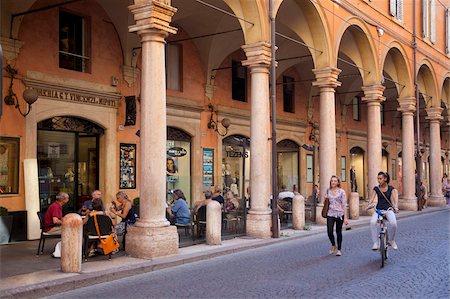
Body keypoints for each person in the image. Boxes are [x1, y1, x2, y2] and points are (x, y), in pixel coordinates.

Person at [366, 171, 399, 251]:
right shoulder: (376, 188)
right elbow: (372, 198)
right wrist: (369, 205)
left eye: (380, 179)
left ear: (385, 179)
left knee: (394, 224)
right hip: (378, 210)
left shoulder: (391, 189)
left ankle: (391, 240)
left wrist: (396, 206)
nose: (379, 180)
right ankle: (375, 243)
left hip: (388, 209)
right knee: (372, 223)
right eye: (378, 179)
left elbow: (395, 199)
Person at [324, 175, 348, 256]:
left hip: (339, 214)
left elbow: (344, 204)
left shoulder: (342, 192)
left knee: (338, 232)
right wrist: (325, 198)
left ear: (338, 183)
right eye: (332, 181)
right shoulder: (328, 190)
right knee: (329, 231)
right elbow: (326, 201)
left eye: (334, 181)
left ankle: (339, 249)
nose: (333, 182)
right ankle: (333, 245)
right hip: (330, 213)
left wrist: (345, 218)